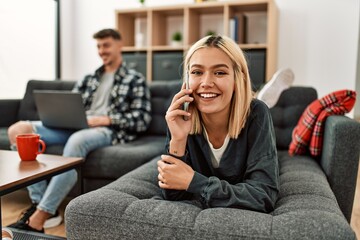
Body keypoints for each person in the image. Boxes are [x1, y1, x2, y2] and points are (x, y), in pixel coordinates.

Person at [7, 29, 152, 232]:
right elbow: (70, 105)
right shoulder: (89, 78)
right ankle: (39, 202)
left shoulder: (135, 79)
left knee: (77, 140)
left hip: (106, 130)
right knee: (19, 129)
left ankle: (41, 214)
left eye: (107, 45)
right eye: (99, 46)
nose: (102, 50)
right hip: (74, 125)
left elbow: (142, 119)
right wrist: (61, 115)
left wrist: (106, 119)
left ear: (120, 46)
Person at [157, 35, 279, 212]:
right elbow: (173, 195)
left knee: (259, 105)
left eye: (220, 72)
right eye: (197, 72)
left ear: (238, 79)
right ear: (187, 79)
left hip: (251, 115)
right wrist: (178, 139)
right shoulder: (180, 116)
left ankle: (261, 95)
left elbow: (262, 195)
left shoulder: (257, 114)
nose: (206, 83)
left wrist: (194, 182)